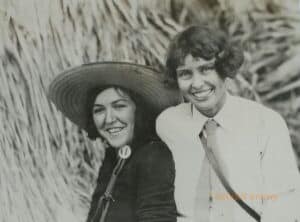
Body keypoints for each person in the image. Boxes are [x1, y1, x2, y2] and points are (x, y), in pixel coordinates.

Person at [156, 25, 300, 222]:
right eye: (185, 74)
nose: (197, 84)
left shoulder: (266, 123)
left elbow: (284, 201)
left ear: (225, 69)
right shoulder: (167, 124)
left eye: (206, 69)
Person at [48, 62, 180, 222]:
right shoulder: (113, 157)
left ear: (139, 110)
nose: (109, 119)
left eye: (119, 106)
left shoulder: (154, 154)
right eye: (99, 110)